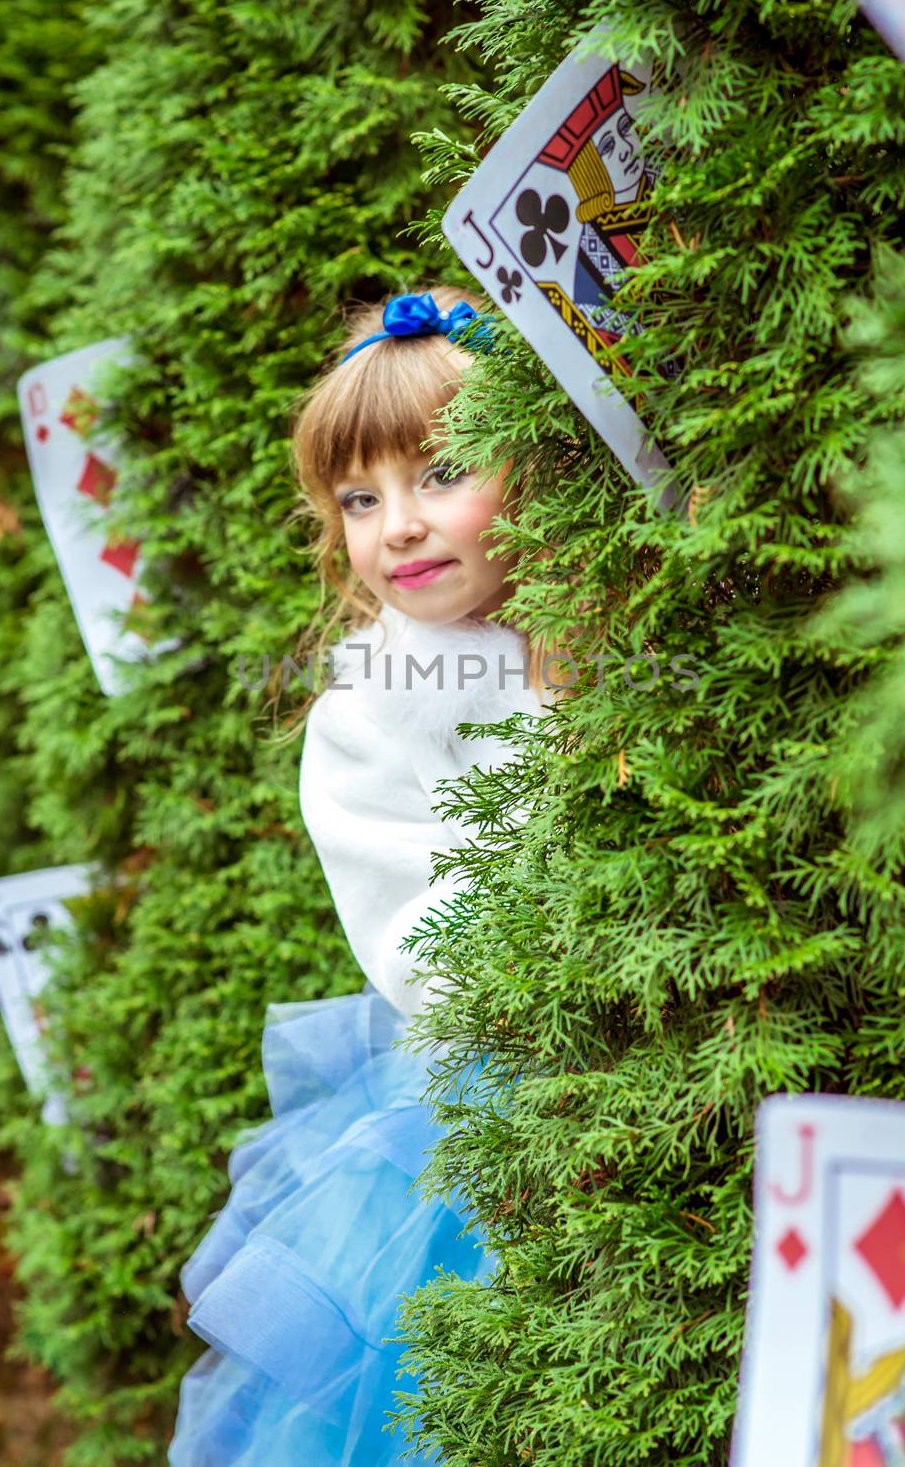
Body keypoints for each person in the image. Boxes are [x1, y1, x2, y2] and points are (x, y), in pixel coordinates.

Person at [168, 287, 546, 1465]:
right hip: (493, 1108)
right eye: (360, 499)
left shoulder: (598, 627)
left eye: (441, 474)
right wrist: (561, 742)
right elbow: (422, 953)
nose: (400, 526)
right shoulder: (367, 715)